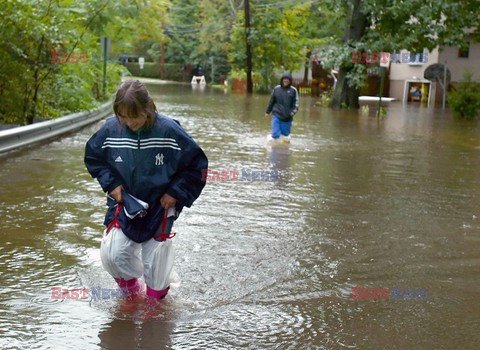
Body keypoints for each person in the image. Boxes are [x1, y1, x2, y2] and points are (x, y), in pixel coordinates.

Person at [84, 80, 208, 299]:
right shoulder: (110, 130)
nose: (128, 122)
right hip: (125, 202)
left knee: (157, 263)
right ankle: (132, 292)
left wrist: (176, 193)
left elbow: (197, 167)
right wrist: (111, 185)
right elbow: (93, 159)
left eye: (134, 116)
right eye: (123, 115)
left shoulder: (170, 131)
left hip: (161, 204)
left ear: (148, 107)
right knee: (112, 254)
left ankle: (155, 305)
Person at [264, 71, 299, 143]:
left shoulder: (293, 90)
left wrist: (291, 113)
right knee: (276, 134)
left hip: (287, 117)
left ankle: (284, 151)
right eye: (284, 79)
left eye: (287, 79)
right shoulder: (276, 89)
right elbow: (271, 101)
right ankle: (271, 145)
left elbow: (296, 104)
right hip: (276, 114)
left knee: (286, 138)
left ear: (290, 80)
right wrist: (267, 112)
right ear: (282, 79)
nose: (286, 80)